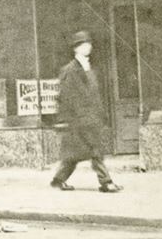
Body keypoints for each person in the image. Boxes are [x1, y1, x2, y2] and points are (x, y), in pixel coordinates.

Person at [51, 30, 122, 193]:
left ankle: (58, 180)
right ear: (75, 48)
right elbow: (66, 97)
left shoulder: (89, 67)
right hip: (80, 120)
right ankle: (106, 182)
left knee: (75, 155)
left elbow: (93, 94)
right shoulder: (69, 70)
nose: (88, 47)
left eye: (89, 44)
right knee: (95, 151)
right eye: (83, 44)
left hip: (91, 118)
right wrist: (76, 118)